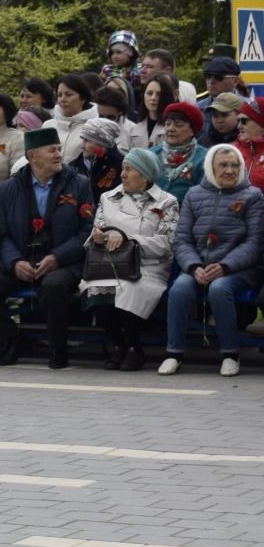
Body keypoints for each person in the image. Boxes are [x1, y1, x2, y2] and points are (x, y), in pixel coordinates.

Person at [0, 126, 95, 369]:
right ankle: (13, 340)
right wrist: (15, 262)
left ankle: (58, 348)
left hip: (63, 262)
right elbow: (2, 234)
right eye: (51, 150)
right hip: (24, 260)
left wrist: (57, 257)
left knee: (53, 285)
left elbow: (86, 231)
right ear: (32, 156)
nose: (58, 155)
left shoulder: (78, 184)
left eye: (59, 149)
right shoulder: (9, 188)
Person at [159, 144, 264, 378]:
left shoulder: (252, 196)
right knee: (180, 288)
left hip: (239, 269)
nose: (229, 170)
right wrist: (194, 266)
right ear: (210, 168)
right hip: (199, 265)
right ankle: (173, 353)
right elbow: (182, 239)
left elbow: (254, 243)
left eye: (235, 165)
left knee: (219, 288)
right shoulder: (194, 195)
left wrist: (225, 266)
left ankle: (230, 353)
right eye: (223, 165)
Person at [76, 146, 177, 373]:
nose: (122, 174)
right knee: (94, 289)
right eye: (123, 168)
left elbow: (167, 244)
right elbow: (95, 231)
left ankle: (134, 347)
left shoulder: (166, 202)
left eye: (129, 169)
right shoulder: (107, 197)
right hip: (107, 263)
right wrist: (99, 236)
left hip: (147, 265)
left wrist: (129, 239)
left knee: (129, 289)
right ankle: (119, 344)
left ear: (145, 175)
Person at [153, 102, 207, 205]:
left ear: (192, 130)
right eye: (167, 124)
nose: (171, 129)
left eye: (178, 124)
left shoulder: (204, 158)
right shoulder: (151, 154)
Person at [71, 117, 124, 200]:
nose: (82, 146)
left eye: (86, 140)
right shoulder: (73, 167)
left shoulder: (122, 167)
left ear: (102, 143)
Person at [51, 74, 99, 163]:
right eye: (59, 95)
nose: (62, 99)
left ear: (83, 98)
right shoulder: (48, 125)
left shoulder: (95, 126)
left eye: (68, 95)